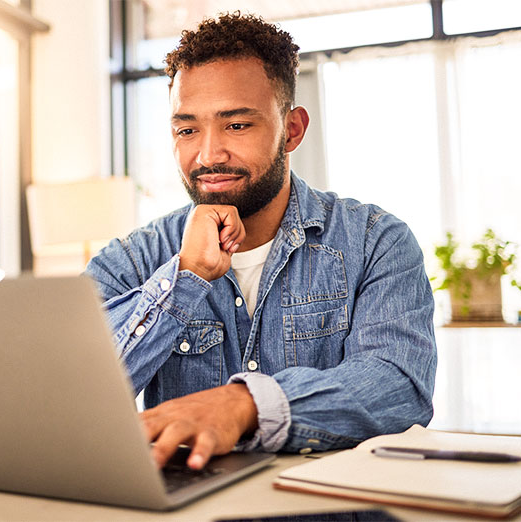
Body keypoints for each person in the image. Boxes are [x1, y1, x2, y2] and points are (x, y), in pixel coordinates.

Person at [86, 12, 437, 471]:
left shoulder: (375, 241)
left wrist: (245, 406)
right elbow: (73, 399)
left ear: (292, 129)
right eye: (187, 129)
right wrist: (183, 280)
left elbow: (399, 388)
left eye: (236, 125)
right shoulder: (131, 260)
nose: (208, 154)